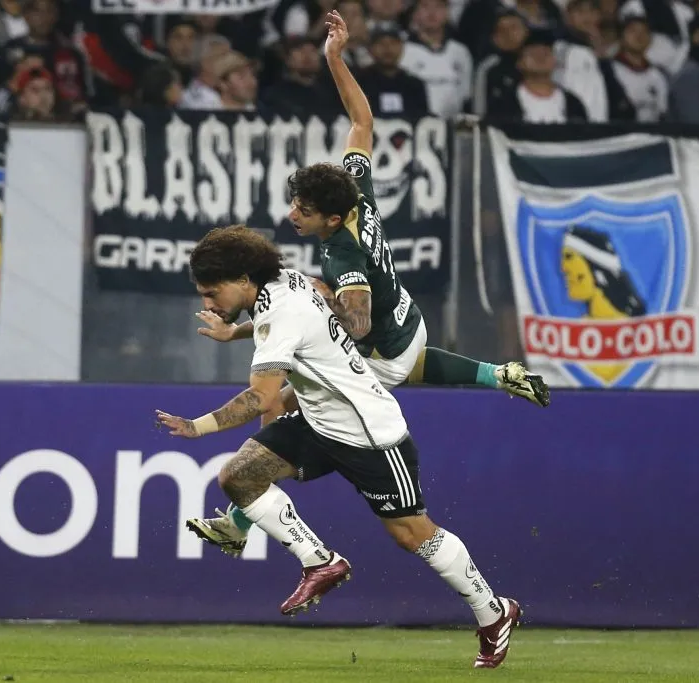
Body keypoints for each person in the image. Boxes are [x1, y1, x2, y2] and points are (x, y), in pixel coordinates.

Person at [187, 8, 549, 567]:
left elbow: (354, 317)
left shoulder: (340, 254)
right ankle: (500, 373)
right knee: (383, 365)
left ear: (330, 220)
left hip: (378, 347)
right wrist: (335, 57)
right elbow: (362, 120)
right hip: (407, 323)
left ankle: (239, 524)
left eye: (303, 211)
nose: (292, 217)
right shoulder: (356, 188)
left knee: (283, 405)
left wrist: (327, 302)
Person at [156, 225, 523, 670]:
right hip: (318, 420)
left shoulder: (279, 313)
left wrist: (198, 427)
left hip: (370, 433)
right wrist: (232, 333)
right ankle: (320, 562)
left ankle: (493, 611)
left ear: (244, 279)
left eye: (213, 292)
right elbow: (307, 306)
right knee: (239, 475)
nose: (207, 304)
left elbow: (262, 397)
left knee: (411, 534)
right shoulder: (285, 281)